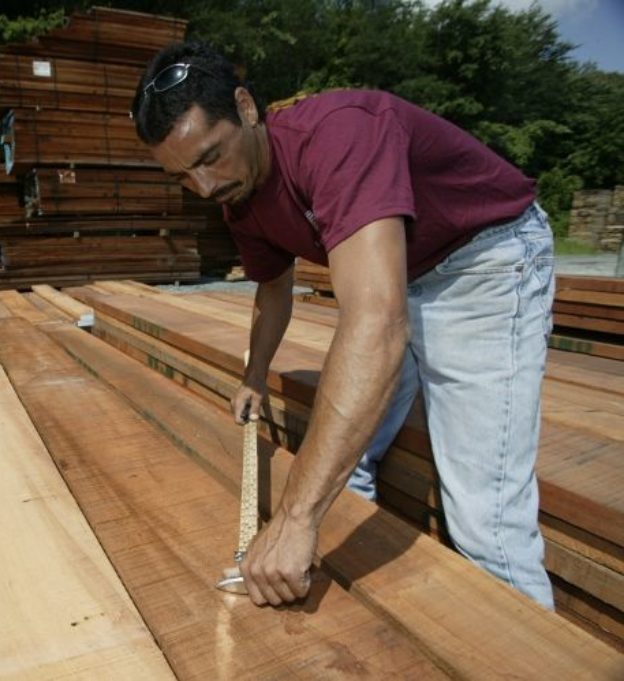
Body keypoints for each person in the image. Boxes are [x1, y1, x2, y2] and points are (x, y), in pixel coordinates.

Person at [131, 42, 555, 610]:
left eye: (210, 156)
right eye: (182, 176)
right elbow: (274, 286)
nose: (204, 187)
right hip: (408, 273)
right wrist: (255, 376)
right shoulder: (241, 199)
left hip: (485, 261)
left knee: (485, 519)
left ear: (246, 107)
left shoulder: (340, 133)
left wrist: (294, 518)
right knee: (340, 464)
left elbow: (376, 321)